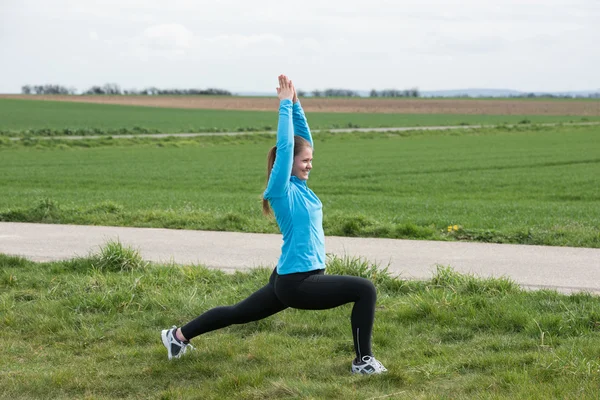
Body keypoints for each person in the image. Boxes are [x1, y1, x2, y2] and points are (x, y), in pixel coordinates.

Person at [161, 75, 387, 375]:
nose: (310, 164)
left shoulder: (301, 186)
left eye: (311, 160)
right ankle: (364, 362)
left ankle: (177, 337)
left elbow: (303, 138)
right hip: (298, 283)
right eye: (305, 160)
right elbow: (286, 145)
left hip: (288, 276)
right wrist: (282, 106)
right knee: (365, 290)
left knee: (237, 313)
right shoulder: (281, 190)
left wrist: (295, 102)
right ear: (288, 162)